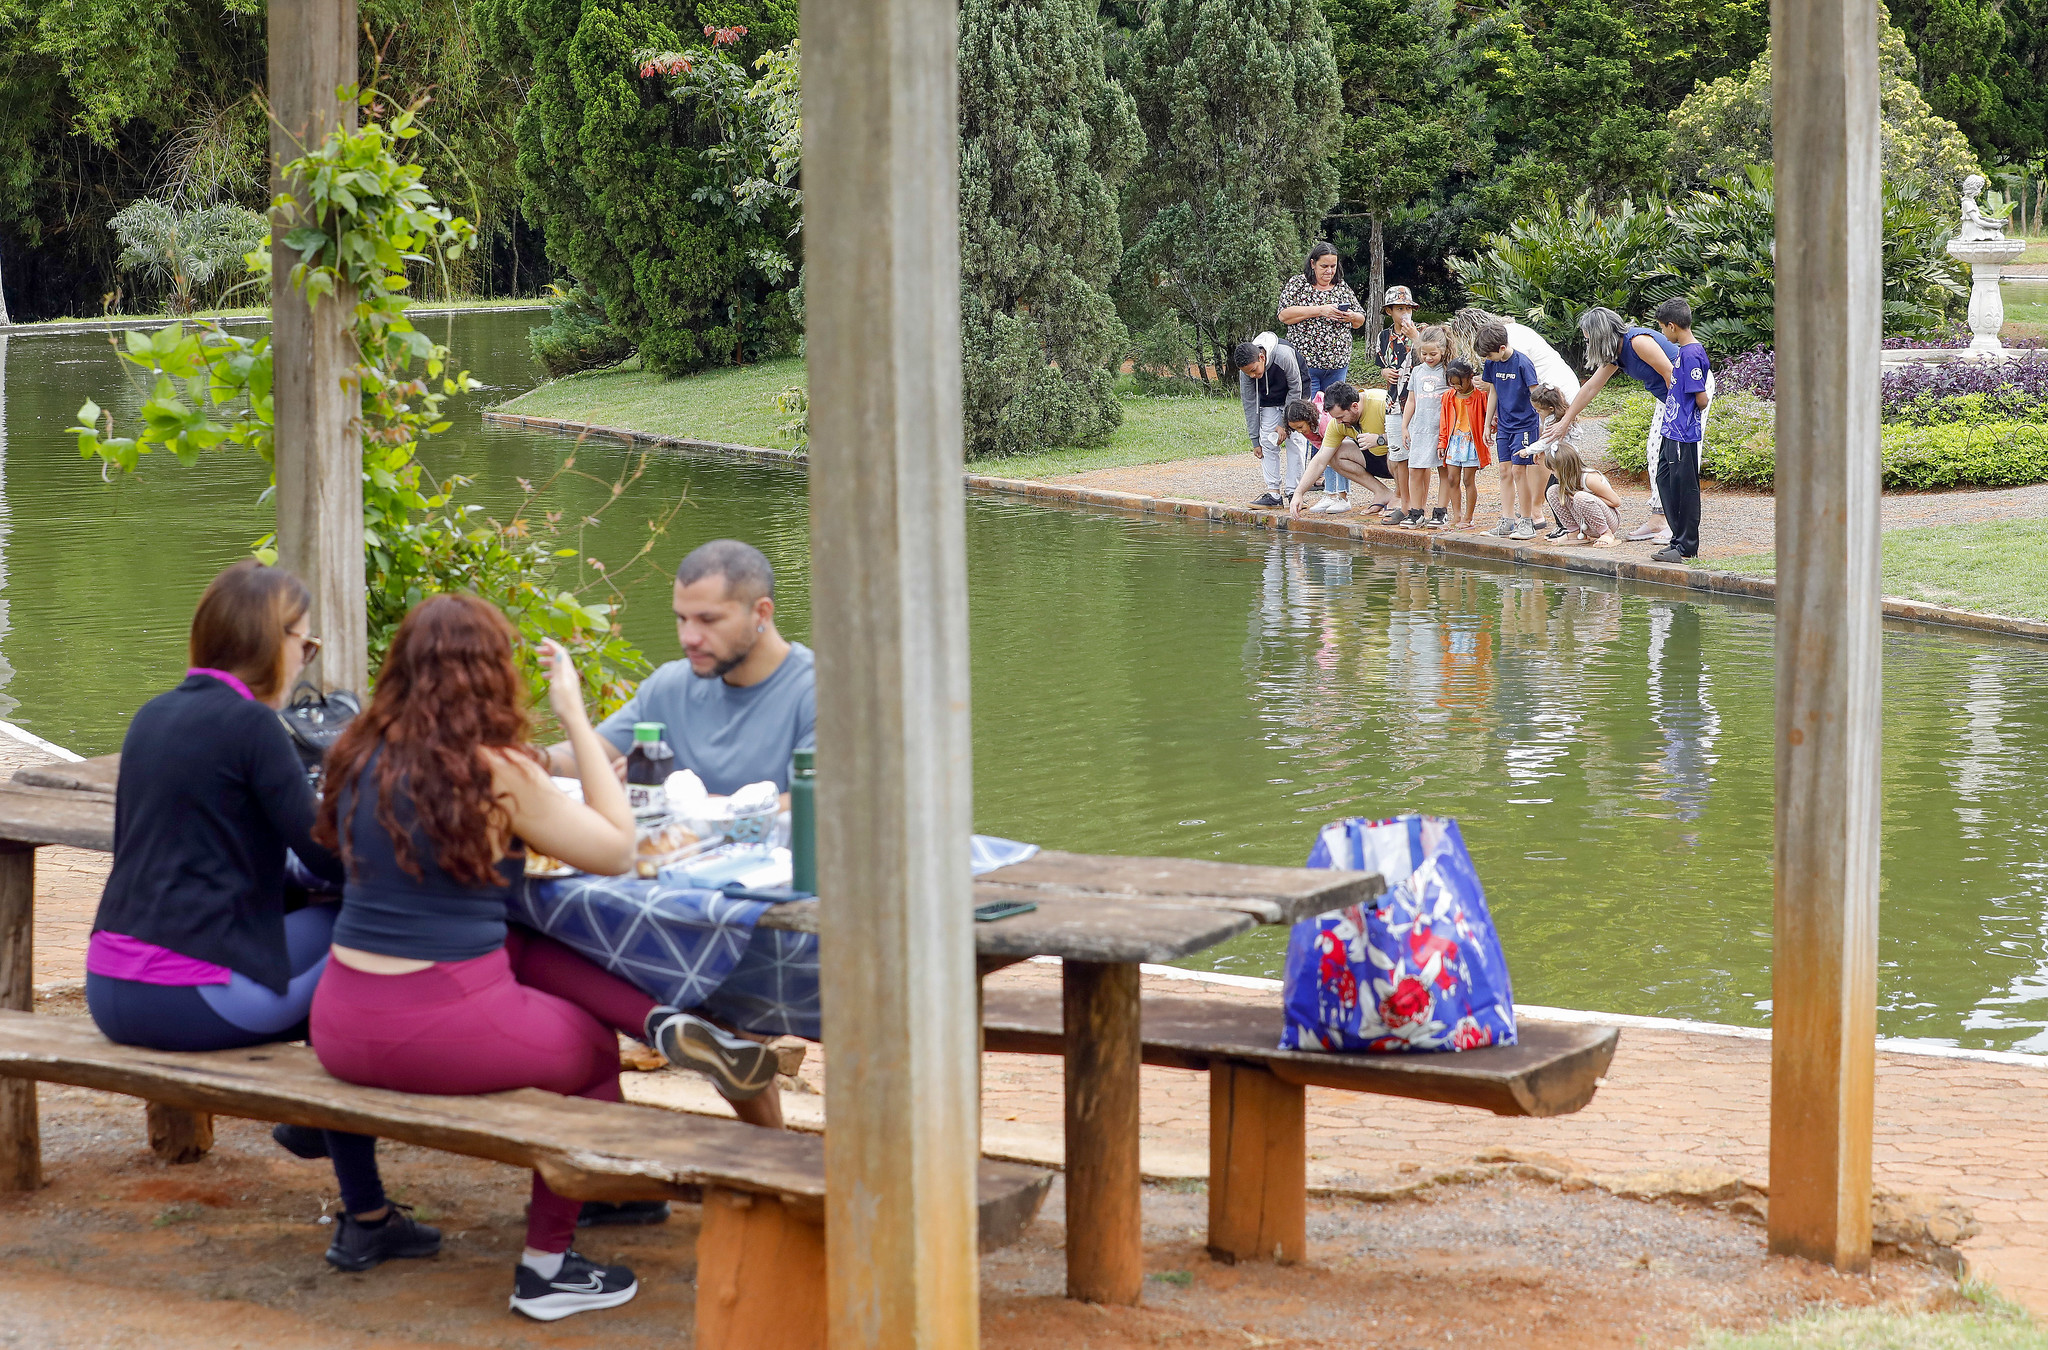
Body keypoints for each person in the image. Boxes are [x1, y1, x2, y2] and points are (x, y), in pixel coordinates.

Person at [309, 596, 783, 1322]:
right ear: (492, 674)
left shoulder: (358, 751)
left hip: (339, 1022)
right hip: (431, 1030)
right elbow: (618, 848)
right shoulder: (495, 770)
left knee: (518, 940)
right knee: (591, 1050)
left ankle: (656, 1032)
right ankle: (547, 1268)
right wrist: (574, 717)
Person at [85, 559, 431, 1275]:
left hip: (107, 986)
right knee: (363, 947)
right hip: (186, 1001)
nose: (306, 658)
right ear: (269, 641)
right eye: (304, 643)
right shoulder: (252, 726)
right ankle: (360, 1205)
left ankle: (317, 1130)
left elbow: (180, 858)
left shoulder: (151, 715)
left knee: (330, 939)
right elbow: (329, 860)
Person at [547, 540, 813, 798]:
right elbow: (589, 754)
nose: (689, 638)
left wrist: (675, 798)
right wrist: (520, 762)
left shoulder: (818, 693)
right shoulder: (670, 687)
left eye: (708, 619)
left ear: (762, 613)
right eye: (682, 619)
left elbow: (819, 801)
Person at [1545, 307, 1681, 544]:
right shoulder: (1616, 354)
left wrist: (1679, 414)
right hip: (1667, 399)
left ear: (1600, 334)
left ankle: (1677, 523)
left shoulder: (1638, 343)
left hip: (1686, 394)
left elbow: (1673, 375)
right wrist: (1564, 422)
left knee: (1678, 456)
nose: (1587, 343)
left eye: (1588, 338)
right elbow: (1590, 388)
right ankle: (1660, 517)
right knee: (1654, 453)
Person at [1277, 243, 1366, 512]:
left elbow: (1361, 319)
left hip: (1337, 364)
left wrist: (1351, 316)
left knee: (1333, 422)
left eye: (1333, 266)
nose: (1329, 271)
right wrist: (1320, 309)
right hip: (1307, 365)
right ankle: (1315, 476)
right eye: (1324, 266)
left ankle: (1328, 482)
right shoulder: (1298, 284)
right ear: (1313, 263)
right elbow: (1284, 315)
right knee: (1311, 418)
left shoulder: (1342, 286)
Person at [1652, 297, 1711, 563]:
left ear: (1672, 326)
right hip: (1671, 430)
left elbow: (1701, 397)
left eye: (1663, 328)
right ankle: (1677, 539)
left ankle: (1687, 545)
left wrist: (1687, 416)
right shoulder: (1684, 353)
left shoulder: (1690, 354)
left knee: (1684, 487)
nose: (1663, 334)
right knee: (1665, 479)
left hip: (1683, 433)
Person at [1476, 320, 1544, 539]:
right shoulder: (1492, 364)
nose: (1488, 360)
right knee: (1504, 470)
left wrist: (1544, 427)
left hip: (1525, 424)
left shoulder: (1523, 363)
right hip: (1504, 425)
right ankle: (1507, 521)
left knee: (1519, 470)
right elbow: (1493, 391)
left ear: (1502, 348)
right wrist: (1487, 424)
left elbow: (1536, 395)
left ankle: (1526, 521)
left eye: (1489, 355)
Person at [1287, 383, 1392, 519]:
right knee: (1333, 454)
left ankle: (1402, 498)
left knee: (1397, 449)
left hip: (1400, 460)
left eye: (1340, 417)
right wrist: (1299, 493)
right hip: (1377, 459)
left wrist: (1380, 439)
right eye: (1335, 418)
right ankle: (1382, 492)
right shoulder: (1337, 424)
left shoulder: (1381, 402)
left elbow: (1413, 434)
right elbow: (1319, 460)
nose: (1338, 422)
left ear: (1354, 406)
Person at [1448, 307, 1580, 404]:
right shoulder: (1505, 335)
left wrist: (1490, 386)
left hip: (1556, 390)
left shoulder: (1511, 337)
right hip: (1545, 391)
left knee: (1551, 438)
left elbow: (1517, 379)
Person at [1236, 334, 1306, 509]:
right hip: (1269, 398)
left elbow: (1295, 389)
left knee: (1295, 440)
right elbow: (1250, 403)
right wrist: (1255, 440)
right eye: (1248, 373)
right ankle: (1273, 494)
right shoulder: (1246, 370)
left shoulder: (1283, 355)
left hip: (1297, 395)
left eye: (1254, 370)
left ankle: (1294, 493)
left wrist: (1284, 424)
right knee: (1267, 440)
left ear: (1262, 357)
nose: (1252, 376)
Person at [1400, 326, 1452, 528]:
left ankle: (1440, 511)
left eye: (1433, 354)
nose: (1428, 358)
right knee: (1415, 469)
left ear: (1443, 351)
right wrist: (1405, 426)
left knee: (1443, 469)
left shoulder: (1447, 371)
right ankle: (1416, 511)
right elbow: (1411, 400)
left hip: (1441, 429)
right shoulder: (1417, 371)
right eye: (1424, 353)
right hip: (1420, 428)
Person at [1377, 286, 1421, 523]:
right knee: (1398, 455)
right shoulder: (1383, 336)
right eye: (1400, 308)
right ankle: (1404, 504)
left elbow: (1432, 356)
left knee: (1419, 456)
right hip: (1394, 402)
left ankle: (1418, 505)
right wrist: (1384, 371)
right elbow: (1380, 362)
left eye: (1408, 308)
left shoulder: (1422, 331)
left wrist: (1415, 336)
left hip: (1419, 402)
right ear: (1390, 311)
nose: (1405, 313)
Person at [1436, 359, 1490, 529]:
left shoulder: (1481, 395)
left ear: (1470, 377)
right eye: (1452, 384)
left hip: (1472, 441)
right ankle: (1456, 515)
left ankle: (1468, 517)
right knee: (1452, 478)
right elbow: (1444, 422)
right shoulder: (1448, 396)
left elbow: (1490, 416)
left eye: (1459, 384)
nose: (1456, 388)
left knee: (1468, 480)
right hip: (1454, 441)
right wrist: (1442, 443)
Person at [1543, 441, 1625, 547]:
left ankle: (1606, 533)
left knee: (1580, 497)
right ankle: (1574, 532)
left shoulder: (1589, 478)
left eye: (1553, 470)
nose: (1552, 473)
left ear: (1564, 468)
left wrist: (1584, 495)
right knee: (1553, 490)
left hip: (1608, 520)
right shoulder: (1567, 479)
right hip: (1584, 524)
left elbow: (1616, 502)